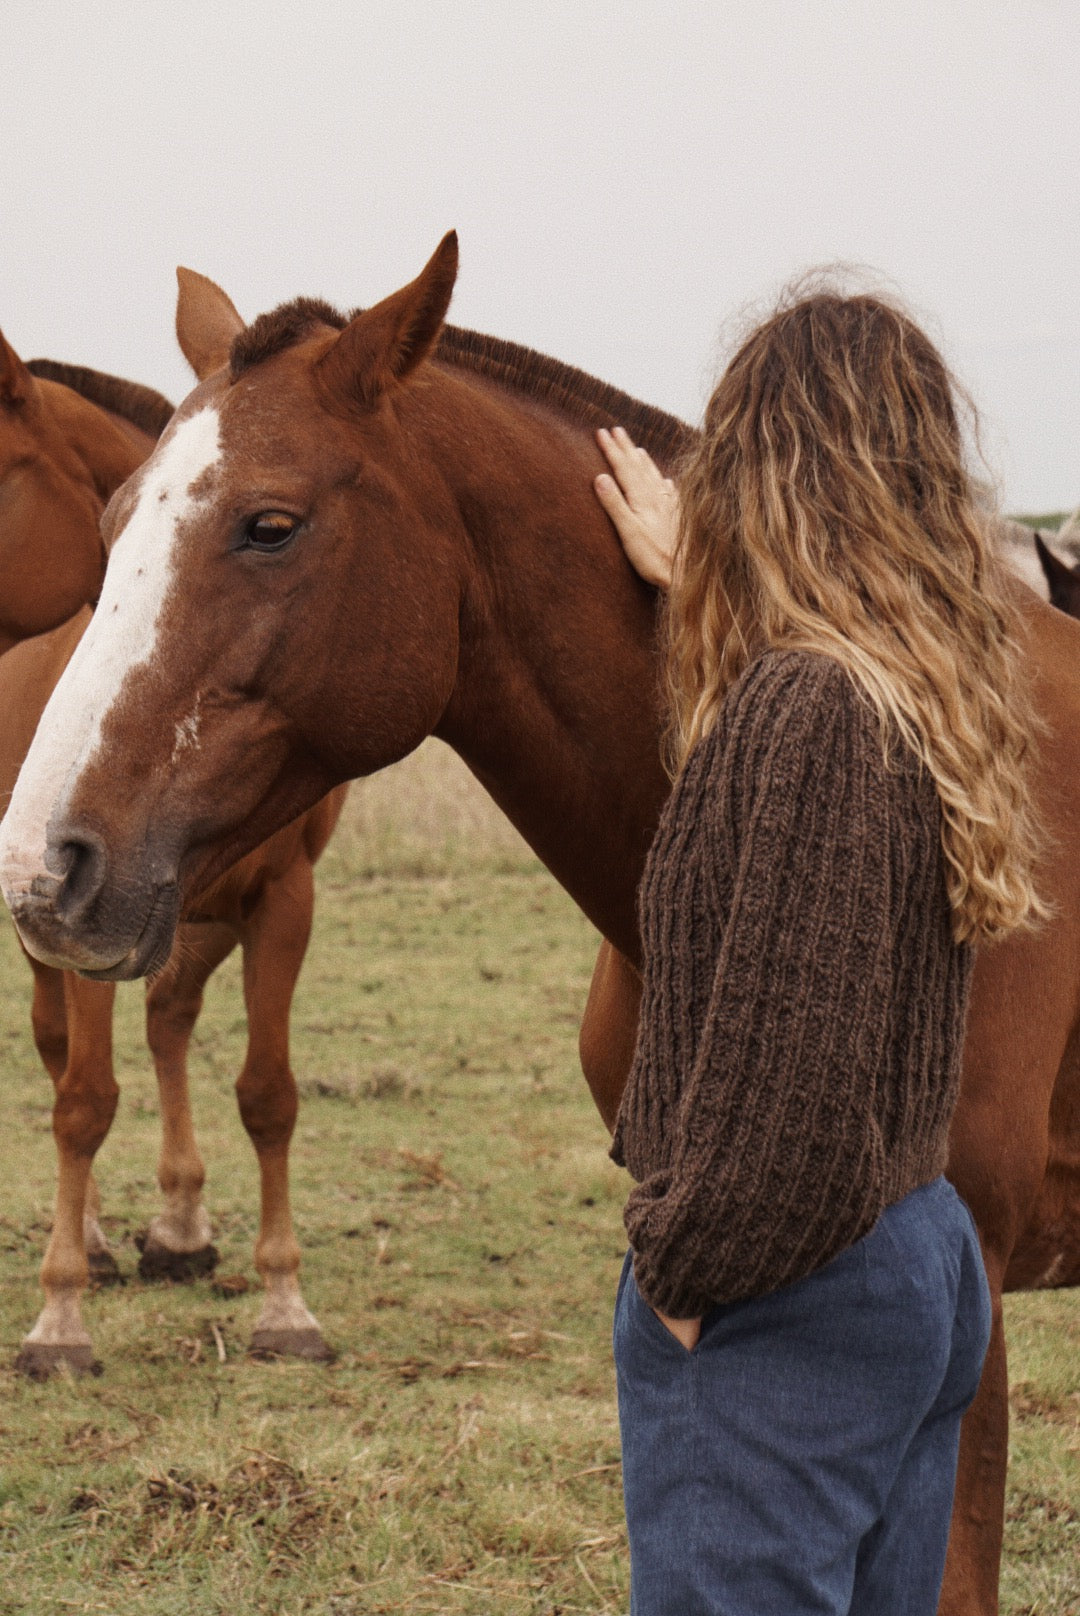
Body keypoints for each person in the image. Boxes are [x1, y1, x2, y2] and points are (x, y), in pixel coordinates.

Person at [590, 290, 1045, 1615]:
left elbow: (785, 1109)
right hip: (908, 1257)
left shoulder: (812, 714)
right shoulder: (892, 690)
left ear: (763, 477)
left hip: (785, 1296)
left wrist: (682, 1292)